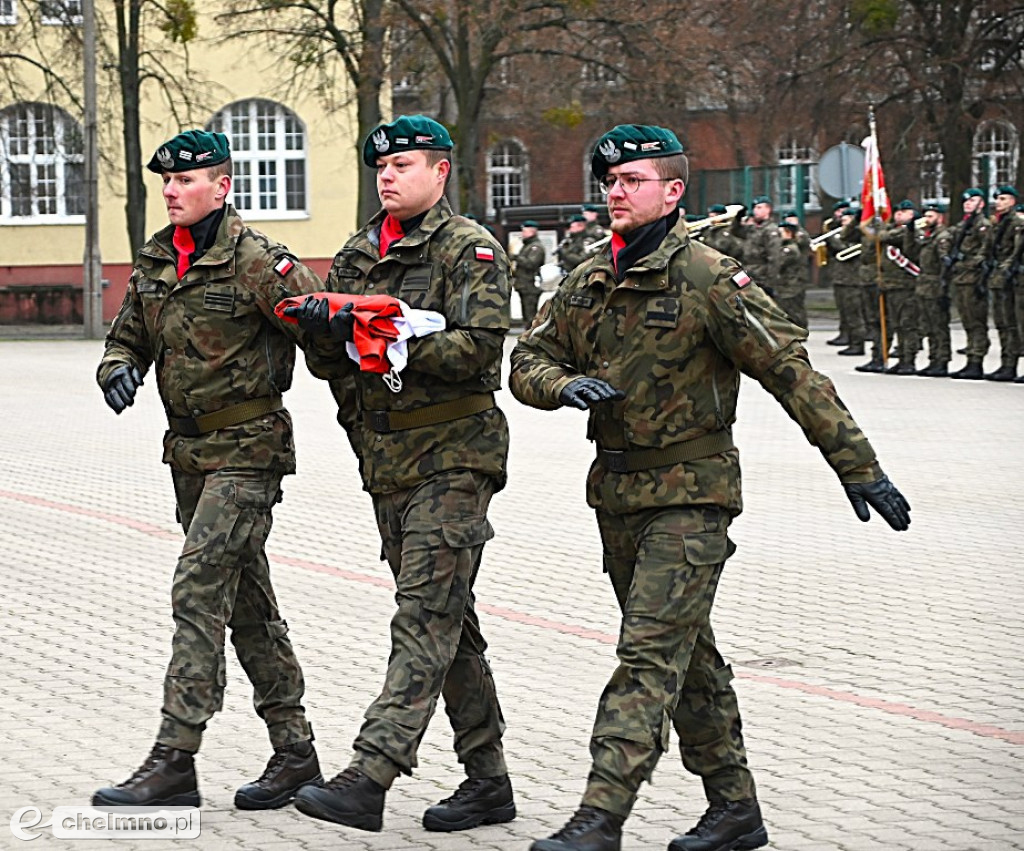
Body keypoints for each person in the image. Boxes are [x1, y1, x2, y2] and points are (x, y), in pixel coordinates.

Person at [510, 124, 911, 851]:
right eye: (611, 181)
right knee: (687, 654)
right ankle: (735, 807)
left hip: (692, 497)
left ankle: (600, 816)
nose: (617, 192)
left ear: (673, 190)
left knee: (647, 654)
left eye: (633, 181)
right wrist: (561, 383)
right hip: (618, 495)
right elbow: (527, 357)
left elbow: (792, 371)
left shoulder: (708, 276)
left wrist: (858, 465)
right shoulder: (590, 276)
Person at [283, 115, 516, 835]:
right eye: (380, 168)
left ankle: (371, 772)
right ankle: (488, 781)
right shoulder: (356, 254)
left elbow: (480, 349)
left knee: (422, 616)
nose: (388, 177)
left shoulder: (468, 249)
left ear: (440, 172)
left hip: (455, 457)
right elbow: (332, 363)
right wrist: (326, 330)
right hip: (386, 465)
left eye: (404, 165)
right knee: (450, 624)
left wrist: (406, 338)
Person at [93, 130, 324, 810]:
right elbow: (127, 333)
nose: (171, 191)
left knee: (197, 588)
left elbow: (325, 330)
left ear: (222, 187)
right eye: (165, 181)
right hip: (189, 459)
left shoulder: (259, 262)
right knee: (248, 605)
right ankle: (295, 752)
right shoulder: (160, 259)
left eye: (186, 181)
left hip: (249, 452)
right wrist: (117, 367)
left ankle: (174, 756)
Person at [944, 188, 992, 379]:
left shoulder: (983, 225)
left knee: (976, 322)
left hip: (974, 279)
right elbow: (948, 236)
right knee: (967, 321)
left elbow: (985, 252)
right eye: (966, 201)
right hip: (962, 279)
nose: (968, 204)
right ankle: (971, 358)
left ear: (981, 204)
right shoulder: (964, 225)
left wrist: (964, 263)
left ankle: (976, 360)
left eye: (972, 201)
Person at [983, 186, 1024, 381]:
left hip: (1013, 278)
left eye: (1003, 199)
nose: (999, 203)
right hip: (998, 279)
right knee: (1003, 323)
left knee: (1018, 323)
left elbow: (1016, 252)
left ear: (1012, 201)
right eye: (998, 199)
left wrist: (1006, 268)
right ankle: (1007, 364)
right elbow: (989, 250)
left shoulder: (1018, 223)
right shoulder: (996, 224)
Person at [909, 203, 952, 376]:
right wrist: (910, 231)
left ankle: (942, 360)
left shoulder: (942, 236)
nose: (927, 219)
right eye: (926, 216)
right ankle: (933, 359)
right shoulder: (928, 236)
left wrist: (945, 288)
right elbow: (911, 251)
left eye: (931, 216)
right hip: (924, 286)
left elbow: (945, 263)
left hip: (936, 286)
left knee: (939, 326)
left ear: (940, 218)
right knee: (928, 326)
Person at [825, 205, 868, 356]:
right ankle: (849, 339)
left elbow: (842, 249)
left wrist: (831, 238)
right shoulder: (840, 234)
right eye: (843, 220)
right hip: (840, 279)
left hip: (853, 281)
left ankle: (858, 344)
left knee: (854, 315)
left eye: (847, 220)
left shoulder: (858, 236)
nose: (844, 223)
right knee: (845, 313)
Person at [776, 220, 809, 328]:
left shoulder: (789, 249)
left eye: (780, 233)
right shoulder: (786, 247)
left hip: (791, 285)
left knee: (794, 311)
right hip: (787, 284)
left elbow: (778, 263)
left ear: (789, 233)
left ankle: (799, 331)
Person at [514, 219, 547, 325]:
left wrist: (517, 257)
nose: (522, 234)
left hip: (530, 286)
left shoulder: (535, 247)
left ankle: (532, 338)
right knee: (526, 315)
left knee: (531, 316)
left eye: (524, 231)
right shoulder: (527, 246)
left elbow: (531, 264)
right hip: (524, 285)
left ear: (532, 231)